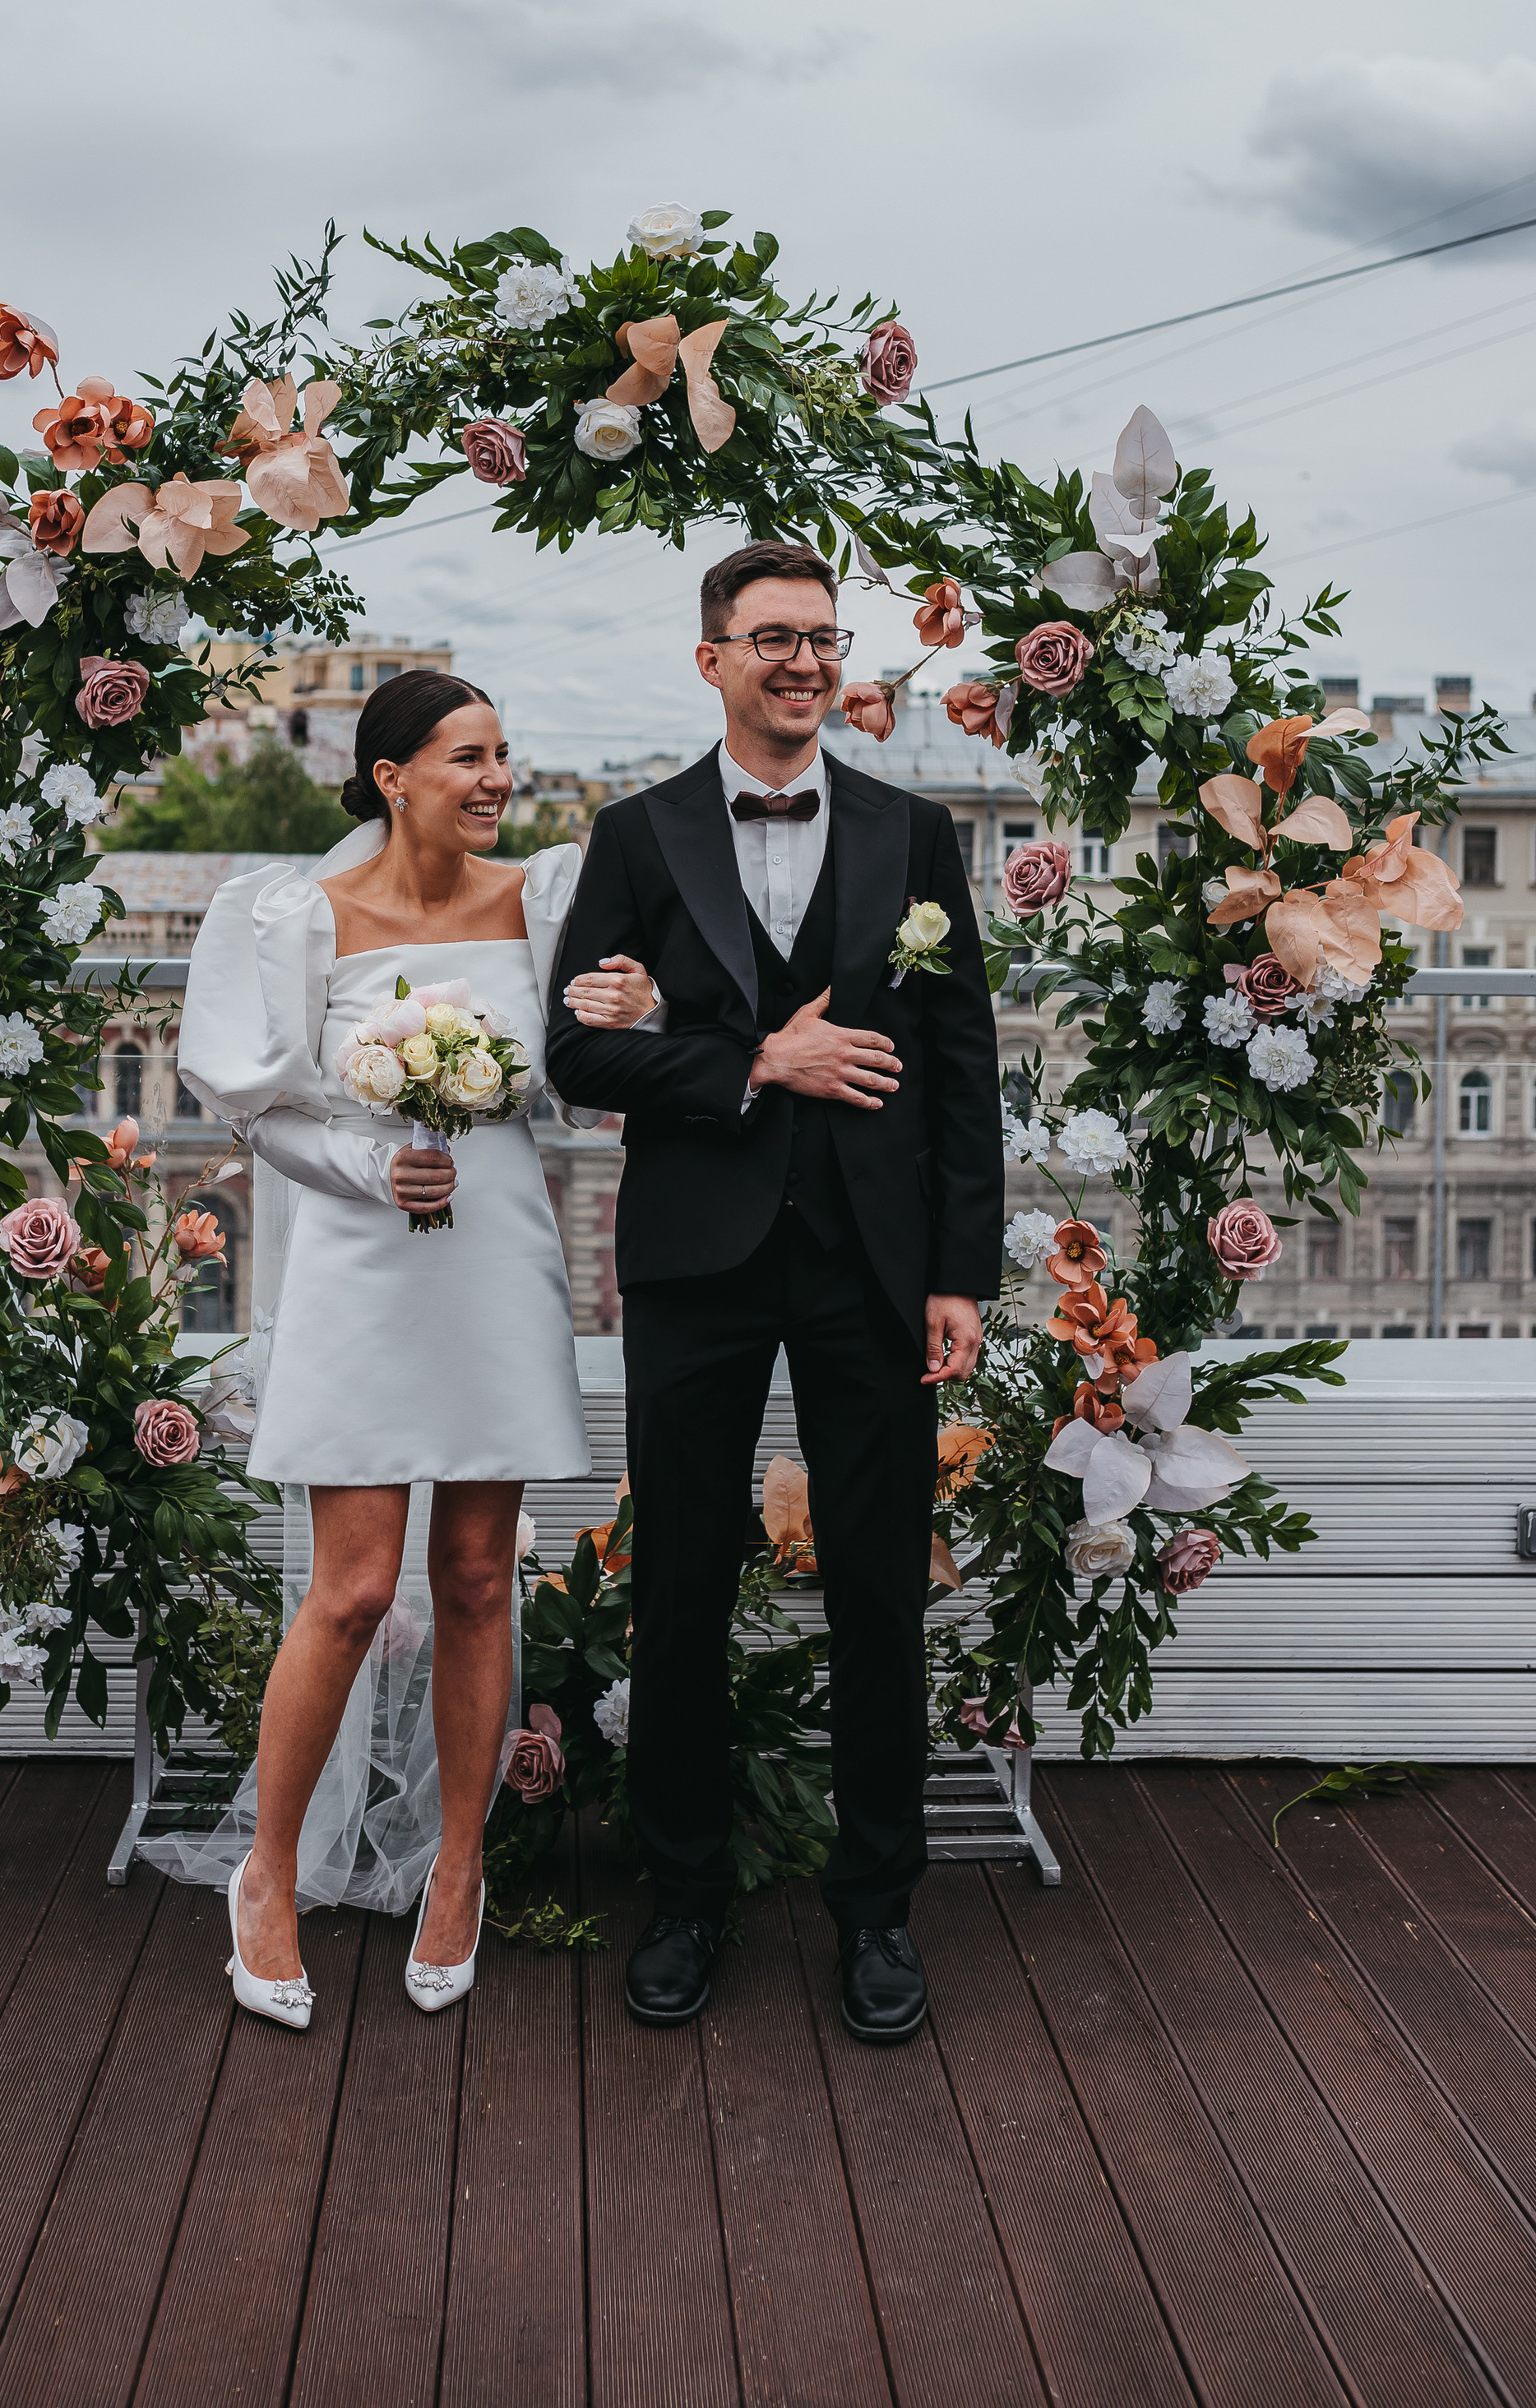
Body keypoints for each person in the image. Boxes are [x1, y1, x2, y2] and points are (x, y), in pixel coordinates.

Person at [544, 541, 1002, 2045]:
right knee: (678, 1584)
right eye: (770, 640)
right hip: (697, 1258)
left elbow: (958, 1070)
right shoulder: (636, 833)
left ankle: (877, 1911)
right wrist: (752, 1059)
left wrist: (959, 1272)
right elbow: (579, 1056)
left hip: (874, 1264)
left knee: (879, 1586)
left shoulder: (915, 835)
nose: (800, 662)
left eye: (820, 637)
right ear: (713, 660)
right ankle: (683, 1897)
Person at [175, 669, 655, 2028]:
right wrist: (372, 1170)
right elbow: (258, 1117)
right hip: (358, 1261)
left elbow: (584, 1085)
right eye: (466, 756)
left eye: (504, 755)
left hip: (498, 1251)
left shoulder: (548, 903)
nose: (496, 778)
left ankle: (459, 1866)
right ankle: (264, 1877)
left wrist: (632, 1020)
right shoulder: (291, 918)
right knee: (349, 1587)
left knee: (476, 1575)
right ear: (391, 775)